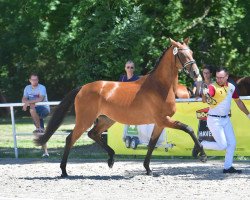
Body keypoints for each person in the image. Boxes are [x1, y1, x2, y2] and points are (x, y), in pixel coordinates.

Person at [195, 67, 250, 174]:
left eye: (221, 77)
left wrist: (248, 114)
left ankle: (227, 167)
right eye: (217, 77)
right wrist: (205, 94)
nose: (219, 80)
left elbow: (238, 102)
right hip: (214, 120)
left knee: (232, 143)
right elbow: (205, 100)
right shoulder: (212, 87)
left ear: (227, 77)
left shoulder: (231, 87)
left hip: (226, 120)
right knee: (223, 146)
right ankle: (200, 143)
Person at [22, 73, 50, 157]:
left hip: (43, 108)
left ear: (38, 80)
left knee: (31, 108)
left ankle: (39, 128)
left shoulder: (42, 87)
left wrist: (27, 102)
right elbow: (23, 98)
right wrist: (26, 102)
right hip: (34, 110)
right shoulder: (27, 88)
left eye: (36, 79)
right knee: (40, 132)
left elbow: (40, 99)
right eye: (33, 80)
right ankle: (46, 152)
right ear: (30, 80)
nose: (35, 81)